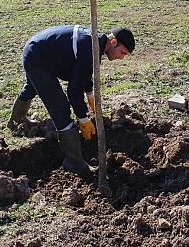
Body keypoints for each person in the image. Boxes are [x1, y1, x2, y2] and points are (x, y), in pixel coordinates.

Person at [7, 25, 135, 177]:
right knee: (60, 107)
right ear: (114, 42)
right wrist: (83, 118)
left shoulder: (96, 42)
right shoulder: (91, 49)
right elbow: (74, 91)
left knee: (33, 86)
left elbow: (84, 71)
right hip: (38, 58)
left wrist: (90, 95)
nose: (121, 57)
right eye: (122, 53)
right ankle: (73, 163)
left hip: (40, 50)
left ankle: (17, 121)